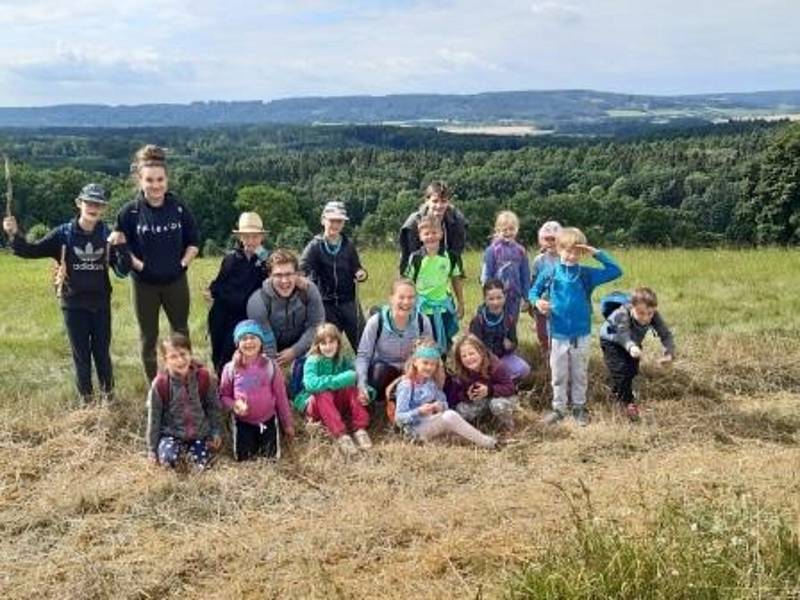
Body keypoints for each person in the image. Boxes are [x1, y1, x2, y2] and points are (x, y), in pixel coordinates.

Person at [2, 183, 130, 405]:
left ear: (104, 208)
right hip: (73, 305)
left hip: (100, 304)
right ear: (79, 203)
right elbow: (31, 251)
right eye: (89, 202)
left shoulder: (108, 235)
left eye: (98, 204)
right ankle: (86, 402)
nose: (93, 207)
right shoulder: (63, 234)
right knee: (81, 356)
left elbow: (122, 271)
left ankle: (109, 399)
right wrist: (14, 234)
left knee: (102, 354)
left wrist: (123, 247)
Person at [112, 144, 200, 382]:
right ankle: (155, 386)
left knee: (180, 332)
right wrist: (141, 267)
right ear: (140, 180)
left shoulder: (179, 208)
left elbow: (194, 243)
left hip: (175, 282)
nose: (155, 185)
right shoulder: (128, 213)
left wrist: (181, 265)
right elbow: (121, 245)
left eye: (160, 179)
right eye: (149, 180)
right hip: (144, 285)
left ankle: (184, 381)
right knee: (148, 338)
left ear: (167, 179)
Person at [529, 227, 622, 426]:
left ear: (582, 253)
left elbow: (616, 271)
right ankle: (559, 409)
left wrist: (596, 253)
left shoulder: (586, 274)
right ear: (558, 248)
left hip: (581, 333)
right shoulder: (551, 271)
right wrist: (538, 302)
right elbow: (533, 292)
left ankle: (579, 407)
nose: (571, 256)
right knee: (559, 374)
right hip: (558, 332)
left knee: (579, 372)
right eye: (567, 250)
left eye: (577, 252)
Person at [246, 249, 325, 394]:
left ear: (297, 274)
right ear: (269, 276)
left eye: (289, 274)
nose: (284, 281)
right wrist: (275, 369)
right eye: (278, 275)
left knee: (325, 348)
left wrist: (295, 351)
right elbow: (266, 340)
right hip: (270, 345)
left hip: (302, 341)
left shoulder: (309, 290)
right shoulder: (257, 300)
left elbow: (316, 326)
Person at [394, 338, 497, 449]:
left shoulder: (430, 382)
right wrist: (419, 411)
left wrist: (440, 406)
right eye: (425, 363)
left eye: (433, 364)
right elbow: (399, 418)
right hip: (413, 429)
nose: (429, 367)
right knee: (451, 416)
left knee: (460, 430)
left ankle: (485, 440)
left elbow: (444, 402)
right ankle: (489, 443)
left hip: (430, 421)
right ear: (415, 362)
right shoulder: (407, 385)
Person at [219, 320, 294, 460]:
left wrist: (287, 423)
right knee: (244, 458)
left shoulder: (271, 366)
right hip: (243, 421)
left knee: (271, 458)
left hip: (267, 420)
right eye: (244, 339)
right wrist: (235, 405)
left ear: (261, 342)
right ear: (237, 344)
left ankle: (269, 436)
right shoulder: (230, 368)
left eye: (253, 337)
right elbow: (224, 396)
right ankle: (243, 437)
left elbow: (281, 397)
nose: (249, 342)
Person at [146, 333, 222, 471]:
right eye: (173, 357)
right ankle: (176, 456)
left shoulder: (204, 377)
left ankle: (195, 457)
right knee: (169, 461)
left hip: (200, 434)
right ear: (165, 360)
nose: (180, 360)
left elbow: (213, 407)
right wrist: (152, 450)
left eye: (183, 354)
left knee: (201, 465)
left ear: (190, 354)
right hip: (171, 434)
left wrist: (215, 432)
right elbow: (154, 418)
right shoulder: (160, 384)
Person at [206, 212, 270, 376]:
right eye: (246, 237)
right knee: (218, 348)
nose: (250, 241)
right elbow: (219, 283)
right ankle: (220, 382)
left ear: (261, 238)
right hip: (223, 309)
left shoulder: (265, 260)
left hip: (245, 314)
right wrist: (210, 292)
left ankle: (234, 382)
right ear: (240, 237)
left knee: (231, 347)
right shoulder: (231, 259)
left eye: (255, 237)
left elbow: (272, 280)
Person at [300, 201, 368, 352]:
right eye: (332, 220)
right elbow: (301, 269)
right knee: (329, 346)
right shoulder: (314, 246)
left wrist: (361, 273)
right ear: (323, 220)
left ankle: (366, 374)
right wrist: (308, 284)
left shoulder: (348, 245)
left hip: (349, 302)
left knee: (363, 344)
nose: (335, 225)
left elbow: (357, 267)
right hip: (326, 305)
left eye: (340, 221)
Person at [356, 278, 433, 411]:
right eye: (401, 297)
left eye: (411, 297)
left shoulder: (422, 321)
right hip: (385, 371)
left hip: (411, 372)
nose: (406, 302)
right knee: (379, 371)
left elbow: (429, 354)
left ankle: (402, 402)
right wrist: (361, 384)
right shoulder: (376, 322)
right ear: (391, 298)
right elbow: (363, 355)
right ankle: (379, 402)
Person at [599, 287, 675, 422]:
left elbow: (666, 334)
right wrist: (631, 347)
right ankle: (627, 403)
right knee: (621, 371)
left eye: (650, 313)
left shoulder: (654, 315)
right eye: (641, 313)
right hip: (612, 341)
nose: (645, 318)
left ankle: (616, 393)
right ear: (632, 306)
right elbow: (622, 334)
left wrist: (669, 353)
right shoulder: (622, 313)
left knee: (632, 371)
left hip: (633, 343)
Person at [295, 323, 372, 456]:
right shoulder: (312, 361)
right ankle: (341, 435)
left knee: (351, 387)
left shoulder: (343, 359)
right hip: (316, 407)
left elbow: (356, 377)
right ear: (317, 345)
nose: (328, 347)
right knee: (322, 392)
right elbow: (310, 384)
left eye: (332, 342)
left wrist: (366, 391)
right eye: (323, 343)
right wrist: (339, 380)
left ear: (338, 342)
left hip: (336, 404)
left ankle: (360, 428)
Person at [404, 215, 464, 354]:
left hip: (444, 307)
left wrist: (461, 303)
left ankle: (444, 370)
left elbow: (456, 278)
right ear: (420, 236)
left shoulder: (450, 257)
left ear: (441, 234)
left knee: (446, 341)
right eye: (426, 233)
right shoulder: (416, 258)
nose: (431, 236)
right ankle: (425, 371)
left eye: (434, 233)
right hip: (423, 309)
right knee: (424, 344)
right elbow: (408, 283)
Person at [446, 334, 517, 435]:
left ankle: (508, 428)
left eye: (471, 354)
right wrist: (467, 395)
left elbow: (510, 388)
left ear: (481, 352)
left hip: (500, 397)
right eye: (464, 356)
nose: (469, 358)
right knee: (460, 411)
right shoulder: (461, 371)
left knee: (497, 405)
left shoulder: (496, 366)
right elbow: (458, 394)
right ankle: (482, 422)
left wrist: (489, 390)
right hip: (480, 400)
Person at [398, 181, 467, 277]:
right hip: (418, 268)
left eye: (443, 201)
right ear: (426, 201)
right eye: (435, 201)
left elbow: (456, 253)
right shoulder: (413, 223)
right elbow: (408, 256)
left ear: (448, 202)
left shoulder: (457, 221)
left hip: (443, 266)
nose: (439, 206)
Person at [469, 278, 531, 382]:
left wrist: (510, 345)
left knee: (524, 369)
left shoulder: (509, 318)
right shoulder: (478, 321)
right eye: (491, 299)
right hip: (483, 361)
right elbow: (473, 347)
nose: (496, 302)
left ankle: (504, 382)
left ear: (505, 297)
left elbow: (514, 342)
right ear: (485, 299)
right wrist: (489, 360)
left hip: (502, 357)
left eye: (499, 298)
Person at [480, 210, 530, 325]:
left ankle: (511, 340)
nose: (508, 232)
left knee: (512, 320)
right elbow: (487, 272)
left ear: (517, 229)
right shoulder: (492, 250)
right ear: (498, 230)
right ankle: (495, 340)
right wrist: (487, 292)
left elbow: (525, 275)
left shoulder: (521, 251)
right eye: (504, 230)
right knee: (495, 318)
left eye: (511, 229)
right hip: (496, 294)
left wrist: (526, 297)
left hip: (514, 295)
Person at [530, 220, 562, 357]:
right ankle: (545, 350)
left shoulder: (565, 258)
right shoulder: (539, 260)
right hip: (541, 302)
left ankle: (557, 353)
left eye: (553, 239)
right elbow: (533, 281)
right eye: (546, 239)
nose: (549, 242)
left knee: (556, 331)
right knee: (541, 331)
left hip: (560, 302)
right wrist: (533, 302)